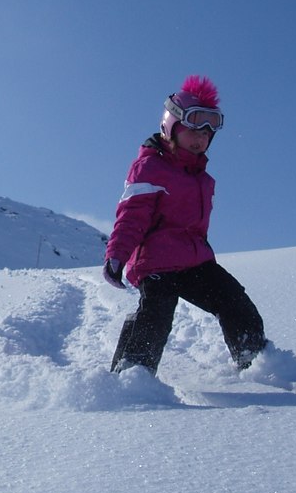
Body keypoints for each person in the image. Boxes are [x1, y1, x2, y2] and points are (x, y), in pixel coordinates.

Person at [103, 75, 267, 375]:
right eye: (194, 127)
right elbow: (132, 215)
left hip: (195, 262)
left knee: (234, 302)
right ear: (171, 126)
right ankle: (130, 376)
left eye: (209, 131)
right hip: (156, 263)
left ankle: (258, 362)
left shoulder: (202, 178)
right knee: (156, 313)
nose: (201, 136)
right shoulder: (150, 166)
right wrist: (118, 254)